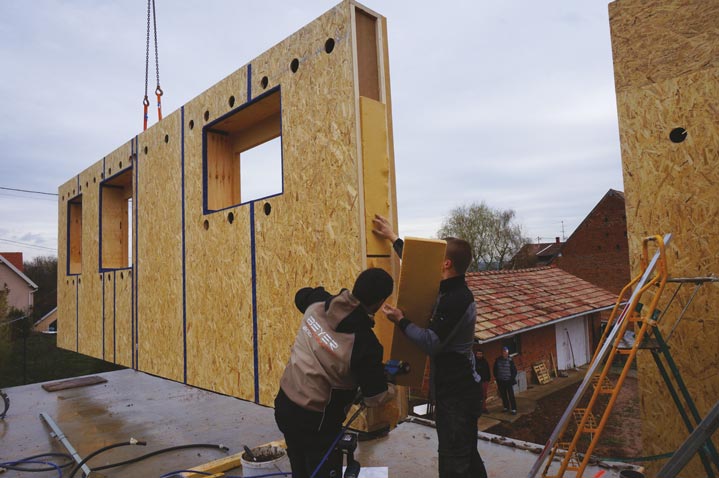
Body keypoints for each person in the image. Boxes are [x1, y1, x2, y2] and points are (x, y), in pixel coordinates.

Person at [373, 214, 488, 478]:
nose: (430, 260)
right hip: (454, 389)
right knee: (466, 454)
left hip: (458, 395)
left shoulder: (457, 299)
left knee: (453, 460)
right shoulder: (446, 287)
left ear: (446, 263)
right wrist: (392, 237)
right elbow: (417, 266)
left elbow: (431, 343)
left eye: (436, 255)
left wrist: (400, 321)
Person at [274, 268, 397, 478]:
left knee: (300, 468)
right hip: (317, 425)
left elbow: (299, 295)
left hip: (285, 405)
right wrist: (392, 385)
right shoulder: (366, 344)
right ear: (379, 302)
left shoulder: (318, 302)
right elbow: (375, 397)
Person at [493, 346, 518, 415]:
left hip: (508, 381)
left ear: (508, 353)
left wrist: (511, 378)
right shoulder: (498, 360)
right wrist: (497, 377)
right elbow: (495, 370)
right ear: (502, 353)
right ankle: (506, 407)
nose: (505, 354)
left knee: (511, 395)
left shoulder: (510, 360)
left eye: (506, 352)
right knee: (503, 395)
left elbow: (514, 371)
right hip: (501, 381)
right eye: (504, 352)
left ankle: (513, 409)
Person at [474, 349, 491, 414]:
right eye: (478, 354)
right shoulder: (474, 362)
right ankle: (478, 409)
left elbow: (487, 370)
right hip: (478, 382)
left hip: (485, 381)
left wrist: (488, 379)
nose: (479, 355)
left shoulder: (485, 361)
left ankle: (484, 408)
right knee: (479, 395)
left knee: (484, 395)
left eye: (480, 354)